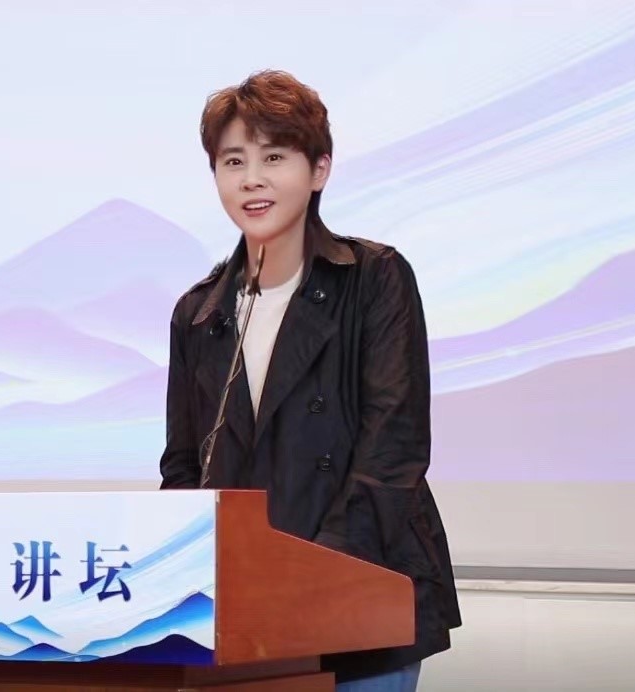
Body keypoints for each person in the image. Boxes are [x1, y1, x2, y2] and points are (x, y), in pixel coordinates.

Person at [159, 69, 461, 690]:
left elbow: (394, 450)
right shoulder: (199, 313)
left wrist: (313, 575)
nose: (251, 179)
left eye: (274, 157)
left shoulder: (373, 278)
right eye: (233, 161)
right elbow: (183, 468)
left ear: (319, 170)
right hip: (243, 617)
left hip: (362, 594)